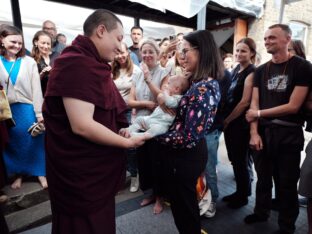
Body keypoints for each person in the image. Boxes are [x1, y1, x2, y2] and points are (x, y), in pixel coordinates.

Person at [43, 9, 147, 234]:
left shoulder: (90, 62)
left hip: (93, 166)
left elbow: (105, 111)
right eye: (119, 38)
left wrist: (120, 129)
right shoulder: (76, 63)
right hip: (79, 172)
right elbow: (82, 125)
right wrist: (127, 144)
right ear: (101, 31)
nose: (121, 47)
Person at [245, 24, 312, 234]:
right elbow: (253, 104)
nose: (267, 42)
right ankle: (261, 212)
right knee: (263, 178)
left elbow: (294, 106)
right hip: (263, 133)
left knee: (287, 183)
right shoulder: (261, 70)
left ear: (287, 39)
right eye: (265, 39)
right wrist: (254, 132)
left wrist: (258, 115)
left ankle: (286, 226)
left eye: (272, 38)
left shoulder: (302, 67)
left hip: (289, 134)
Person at [153, 30, 222, 234]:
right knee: (183, 207)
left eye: (185, 51)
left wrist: (152, 135)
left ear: (202, 51)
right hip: (183, 155)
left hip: (186, 156)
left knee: (186, 211)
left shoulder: (204, 88)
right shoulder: (196, 82)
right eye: (179, 52)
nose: (181, 57)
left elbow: (189, 136)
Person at [0, 25, 47, 189]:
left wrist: (39, 113)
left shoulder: (29, 62)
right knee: (14, 142)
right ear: (2, 40)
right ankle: (20, 174)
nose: (17, 46)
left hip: (27, 108)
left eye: (20, 43)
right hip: (8, 110)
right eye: (13, 42)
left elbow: (36, 89)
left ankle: (40, 172)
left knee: (35, 139)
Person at [127, 39, 169, 214]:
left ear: (158, 54)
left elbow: (163, 100)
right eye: (144, 52)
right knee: (143, 162)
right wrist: (144, 103)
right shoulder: (136, 73)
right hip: (141, 123)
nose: (147, 55)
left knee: (157, 162)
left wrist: (148, 79)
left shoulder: (164, 73)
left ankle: (160, 198)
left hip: (158, 125)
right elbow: (130, 101)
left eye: (151, 51)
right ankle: (150, 194)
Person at [222, 38, 257, 209]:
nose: (238, 54)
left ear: (252, 53)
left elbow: (244, 102)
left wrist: (227, 120)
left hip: (240, 124)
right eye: (237, 50)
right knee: (235, 159)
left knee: (241, 160)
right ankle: (239, 191)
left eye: (243, 51)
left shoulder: (251, 72)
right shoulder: (236, 69)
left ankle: (243, 195)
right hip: (232, 122)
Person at [111, 41, 143, 193]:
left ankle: (135, 176)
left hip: (131, 112)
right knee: (116, 145)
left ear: (128, 53)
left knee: (130, 147)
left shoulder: (136, 71)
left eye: (122, 52)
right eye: (117, 53)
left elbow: (138, 92)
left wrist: (136, 109)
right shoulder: (112, 70)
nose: (120, 56)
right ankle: (119, 178)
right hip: (115, 112)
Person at [203, 69, 231, 218]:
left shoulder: (223, 74)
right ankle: (201, 197)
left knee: (209, 167)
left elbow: (219, 103)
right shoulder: (195, 72)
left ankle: (212, 198)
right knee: (198, 168)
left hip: (210, 128)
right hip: (194, 129)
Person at [31, 30, 59, 96]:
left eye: (48, 44)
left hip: (58, 94)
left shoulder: (57, 55)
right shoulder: (32, 60)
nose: (46, 46)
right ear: (36, 42)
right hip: (42, 96)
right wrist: (42, 74)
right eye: (43, 43)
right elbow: (30, 83)